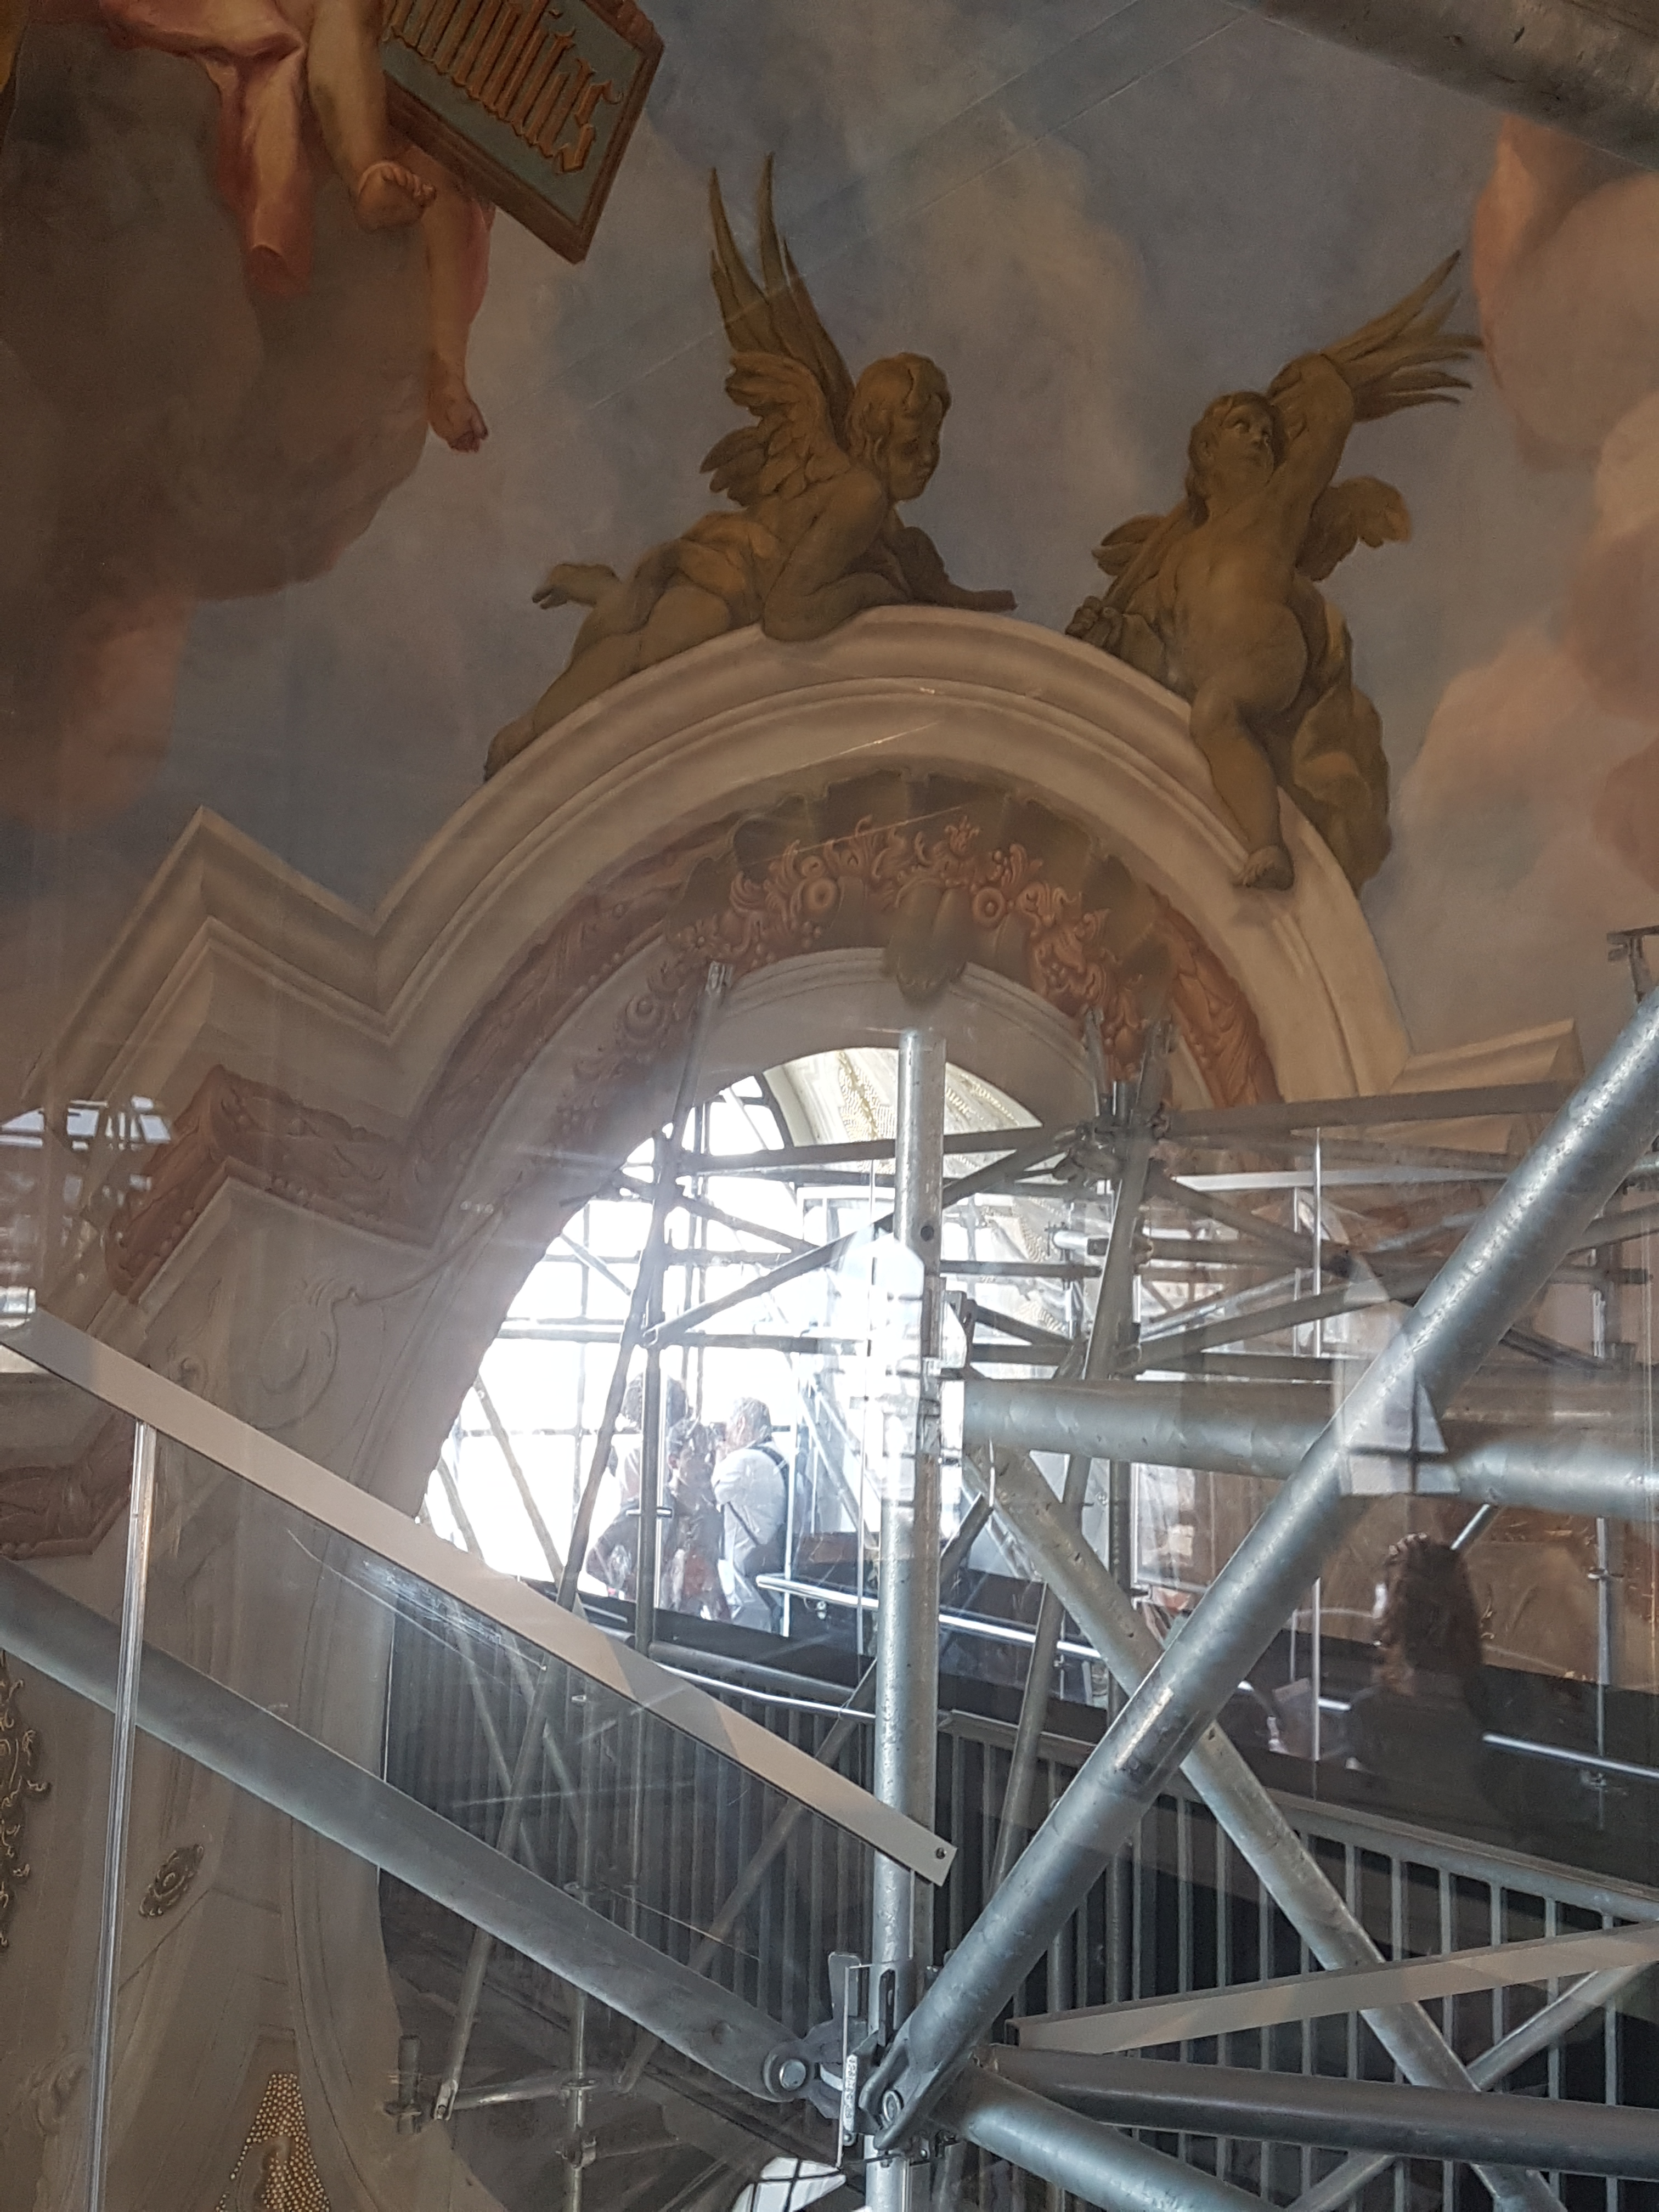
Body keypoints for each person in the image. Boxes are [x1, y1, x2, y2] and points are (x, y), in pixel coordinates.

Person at [1343, 1534, 1494, 1815]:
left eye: (1380, 1596)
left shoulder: (1372, 1713)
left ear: (1395, 1608)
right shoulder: (1478, 1702)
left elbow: (1353, 1802)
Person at [711, 1397, 788, 1632]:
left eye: (728, 1427)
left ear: (742, 1424)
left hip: (743, 1590)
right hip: (767, 1583)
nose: (726, 1436)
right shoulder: (779, 1458)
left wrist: (720, 1457)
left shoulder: (744, 1461)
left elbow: (710, 1494)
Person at [661, 1420, 729, 1623]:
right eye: (696, 1455)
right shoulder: (654, 1510)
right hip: (655, 1623)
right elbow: (596, 1561)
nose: (706, 1464)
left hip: (693, 1627)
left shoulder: (712, 1518)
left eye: (709, 1455)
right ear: (673, 1461)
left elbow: (714, 1585)